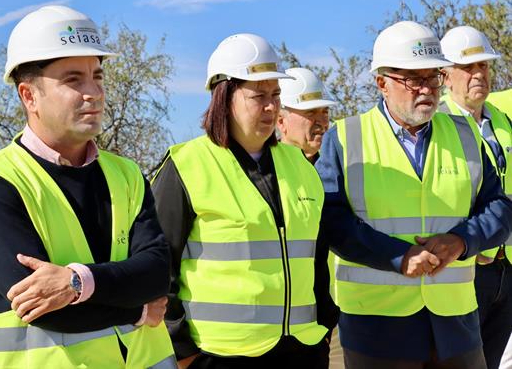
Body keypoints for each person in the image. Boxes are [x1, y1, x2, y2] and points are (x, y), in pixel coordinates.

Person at [0, 5, 176, 369]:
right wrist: (138, 308)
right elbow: (43, 309)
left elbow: (158, 273)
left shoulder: (126, 174)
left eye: (97, 77)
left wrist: (76, 282)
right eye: (73, 80)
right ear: (28, 95)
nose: (94, 92)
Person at [317, 20, 512, 368]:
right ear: (382, 83)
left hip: (457, 324)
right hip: (376, 326)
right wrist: (397, 256)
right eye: (413, 79)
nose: (426, 89)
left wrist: (462, 241)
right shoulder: (346, 138)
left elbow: (500, 207)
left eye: (432, 77)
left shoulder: (466, 134)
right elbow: (330, 220)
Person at [152, 33, 334, 368]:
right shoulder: (185, 166)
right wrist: (183, 351)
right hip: (220, 355)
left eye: (276, 95)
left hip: (303, 350)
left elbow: (317, 259)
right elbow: (159, 266)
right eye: (259, 96)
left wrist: (323, 327)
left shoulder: (302, 168)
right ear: (225, 97)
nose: (270, 106)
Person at [438, 25, 512, 369]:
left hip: (506, 264)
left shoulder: (502, 120)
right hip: (463, 266)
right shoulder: (436, 125)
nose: (478, 74)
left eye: (483, 66)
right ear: (445, 76)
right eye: (468, 68)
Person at [277, 67, 337, 163]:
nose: (322, 122)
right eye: (311, 112)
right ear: (281, 122)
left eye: (325, 112)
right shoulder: (266, 168)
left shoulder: (335, 166)